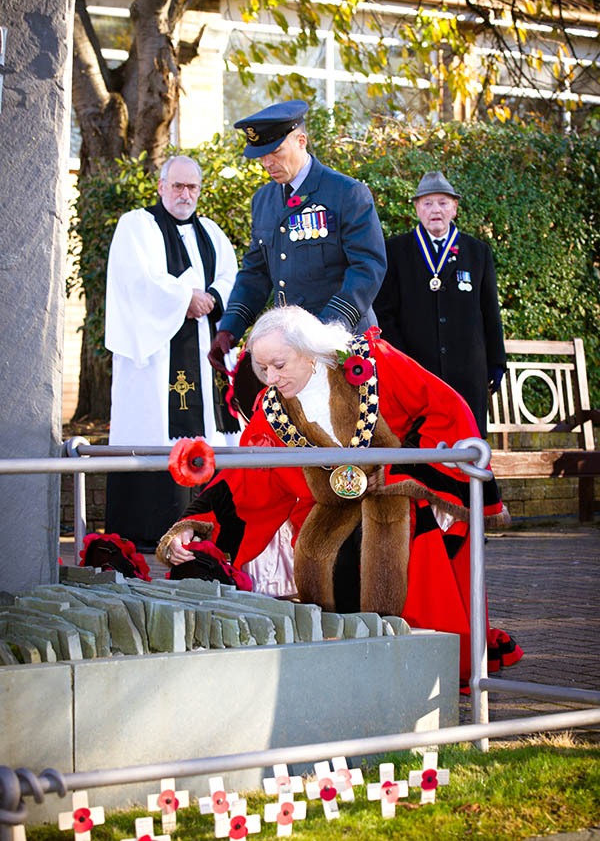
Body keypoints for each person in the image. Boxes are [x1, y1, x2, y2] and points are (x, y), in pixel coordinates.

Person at [157, 305, 521, 684]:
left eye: (279, 365)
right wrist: (194, 528)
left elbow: (444, 408)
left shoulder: (375, 363)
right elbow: (247, 481)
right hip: (328, 512)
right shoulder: (271, 412)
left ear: (309, 350)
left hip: (400, 499)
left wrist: (407, 472)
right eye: (262, 369)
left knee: (395, 547)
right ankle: (347, 676)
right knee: (321, 553)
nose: (271, 377)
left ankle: (416, 674)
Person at [104, 155, 240, 551]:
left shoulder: (212, 232)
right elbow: (137, 281)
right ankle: (147, 531)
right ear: (161, 186)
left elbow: (232, 277)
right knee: (154, 426)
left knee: (213, 432)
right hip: (157, 360)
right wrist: (185, 298)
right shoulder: (137, 225)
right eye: (177, 186)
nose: (185, 194)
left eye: (192, 187)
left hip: (205, 353)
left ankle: (209, 530)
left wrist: (212, 297)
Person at [208, 100, 386, 372]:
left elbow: (367, 268)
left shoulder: (346, 193)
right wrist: (230, 328)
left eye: (276, 152)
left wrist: (324, 330)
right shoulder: (264, 199)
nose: (268, 163)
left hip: (343, 346)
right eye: (261, 156)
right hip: (290, 352)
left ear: (301, 141)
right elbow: (255, 273)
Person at [373, 171, 506, 436]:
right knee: (420, 450)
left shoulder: (478, 252)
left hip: (467, 372)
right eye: (428, 203)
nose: (436, 210)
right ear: (417, 209)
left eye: (443, 203)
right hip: (417, 372)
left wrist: (497, 362)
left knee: (468, 447)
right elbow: (384, 313)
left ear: (454, 208)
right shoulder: (395, 251)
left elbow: (490, 311)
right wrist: (402, 361)